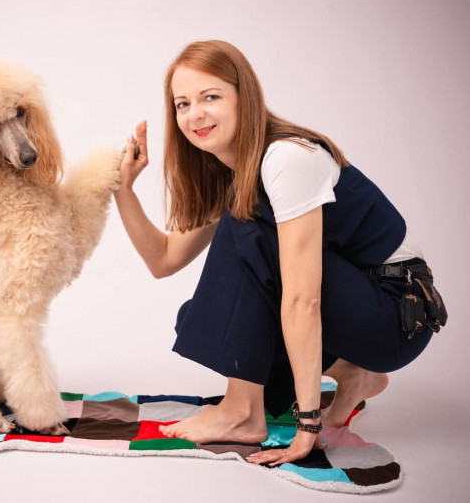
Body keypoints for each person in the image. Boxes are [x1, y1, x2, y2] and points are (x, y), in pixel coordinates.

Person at [114, 40, 440, 467]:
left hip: (396, 316)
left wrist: (308, 425)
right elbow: (164, 260)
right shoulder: (236, 175)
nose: (195, 114)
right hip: (364, 313)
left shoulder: (286, 157)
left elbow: (304, 301)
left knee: (245, 228)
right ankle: (354, 373)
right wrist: (123, 189)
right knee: (207, 319)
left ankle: (242, 413)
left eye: (210, 97)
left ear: (243, 97)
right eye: (182, 104)